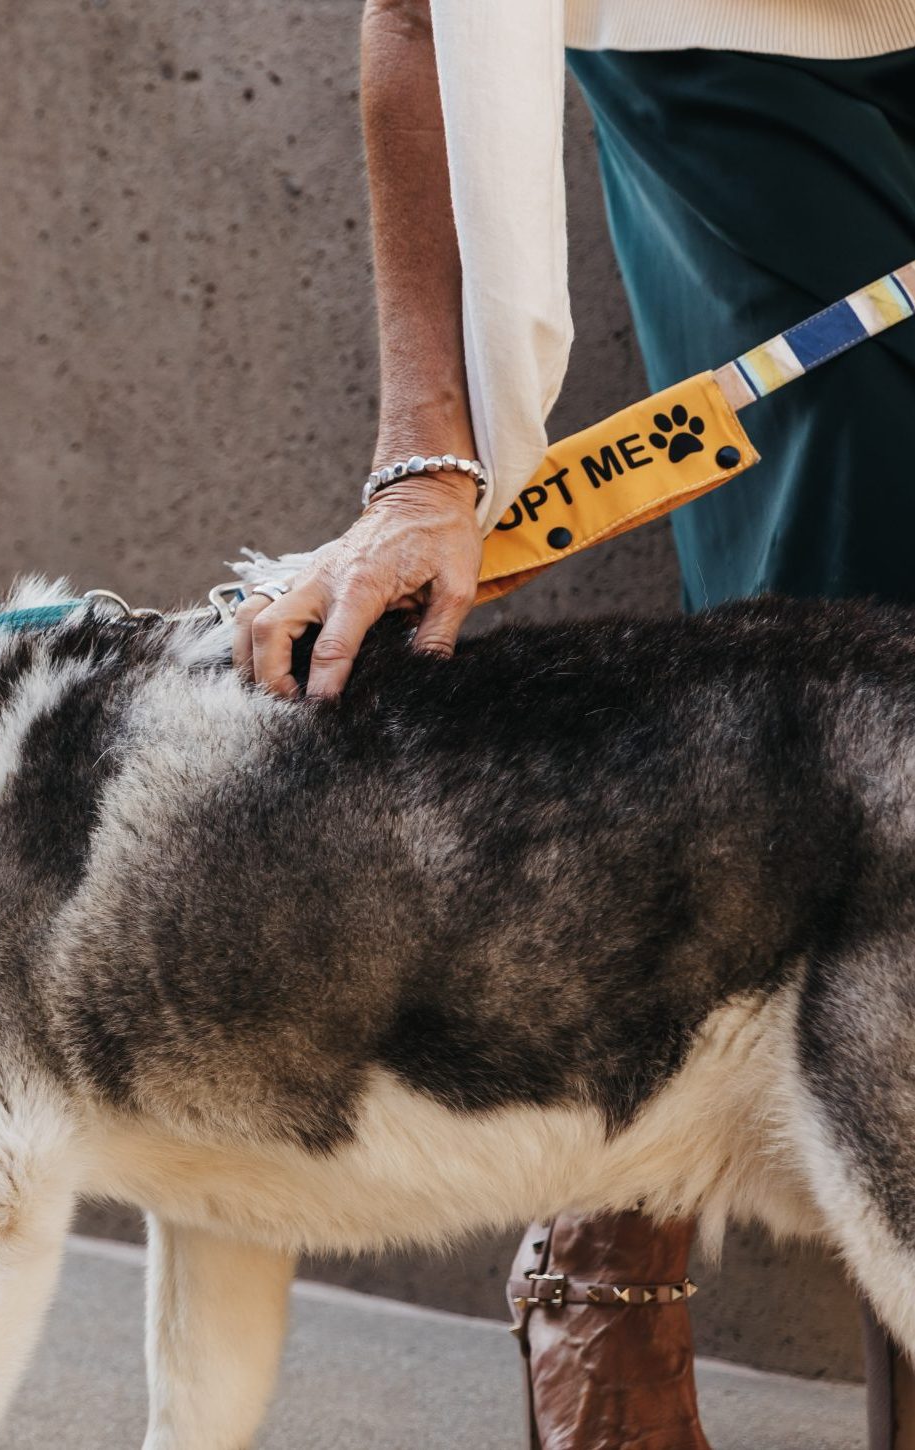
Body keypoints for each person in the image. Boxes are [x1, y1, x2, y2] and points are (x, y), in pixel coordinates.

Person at [232, 1, 915, 1445]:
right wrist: (427, 464)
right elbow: (419, 13)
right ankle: (618, 1210)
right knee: (855, 649)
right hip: (732, 42)